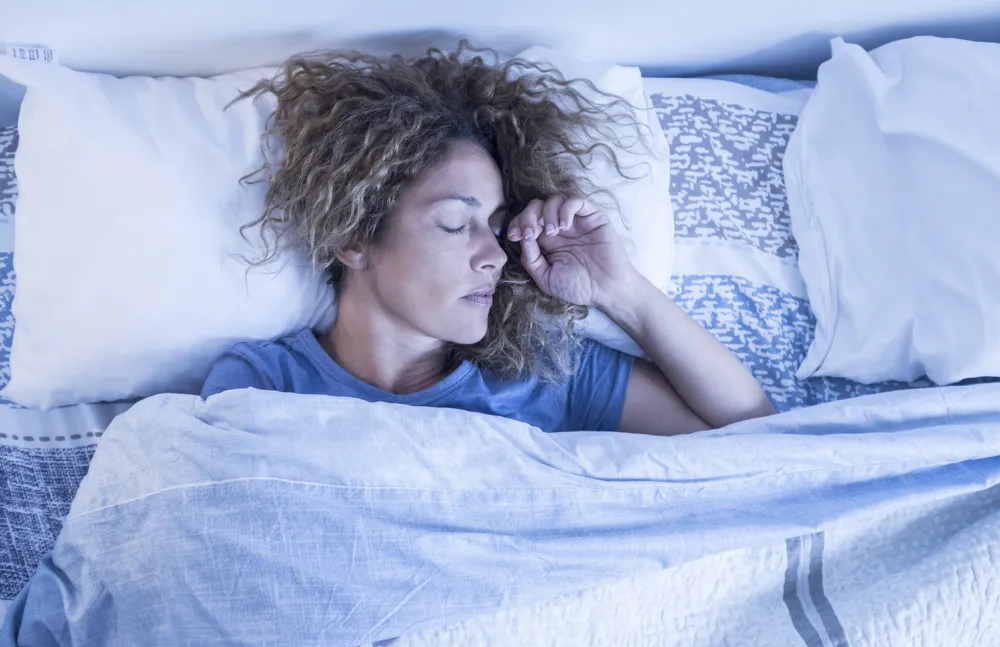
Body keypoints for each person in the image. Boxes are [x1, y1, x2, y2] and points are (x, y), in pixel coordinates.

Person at [201, 44, 775, 435]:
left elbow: (754, 434)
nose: (495, 255)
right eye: (456, 224)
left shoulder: (537, 376)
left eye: (500, 228)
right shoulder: (263, 386)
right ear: (355, 237)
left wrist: (619, 290)